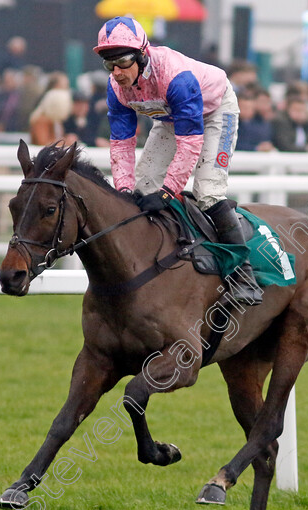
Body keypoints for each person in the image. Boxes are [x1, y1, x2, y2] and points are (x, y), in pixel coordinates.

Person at [94, 16, 262, 305]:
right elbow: (122, 143)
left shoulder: (175, 77)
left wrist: (168, 192)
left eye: (122, 61)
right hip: (171, 117)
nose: (117, 72)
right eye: (109, 64)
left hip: (214, 113)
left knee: (208, 192)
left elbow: (191, 142)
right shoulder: (116, 87)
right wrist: (123, 189)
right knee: (141, 188)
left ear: (142, 55)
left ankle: (243, 275)